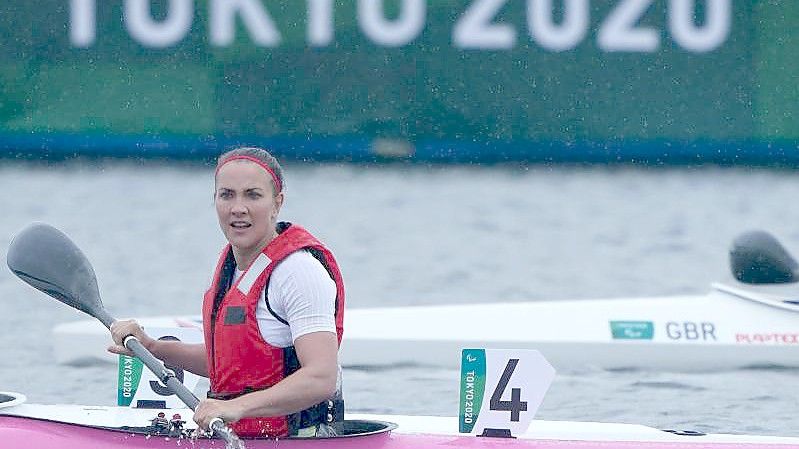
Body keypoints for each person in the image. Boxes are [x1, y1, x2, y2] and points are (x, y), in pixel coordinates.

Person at [108, 147, 345, 438]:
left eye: (253, 195)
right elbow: (231, 365)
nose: (238, 208)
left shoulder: (299, 273)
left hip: (300, 439)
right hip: (239, 437)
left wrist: (238, 407)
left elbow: (321, 377)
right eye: (227, 195)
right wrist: (153, 347)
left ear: (277, 203)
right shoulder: (232, 268)